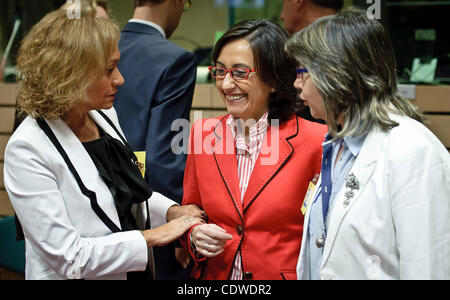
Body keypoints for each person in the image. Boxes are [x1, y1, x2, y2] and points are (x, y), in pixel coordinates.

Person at [4, 9, 203, 280]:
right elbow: (69, 257)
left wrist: (171, 211)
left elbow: (124, 188)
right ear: (70, 76)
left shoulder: (103, 115)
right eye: (109, 70)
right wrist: (152, 237)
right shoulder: (27, 149)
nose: (120, 79)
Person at [285, 8, 450, 280]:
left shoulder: (413, 151)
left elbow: (428, 267)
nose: (295, 83)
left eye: (303, 72)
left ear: (336, 74)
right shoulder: (338, 142)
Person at [181, 19, 327, 280]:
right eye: (220, 71)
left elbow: (324, 233)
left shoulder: (315, 141)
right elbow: (191, 210)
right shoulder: (203, 134)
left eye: (239, 73)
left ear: (273, 80)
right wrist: (193, 234)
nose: (226, 85)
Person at [113, 0, 197, 280]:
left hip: (101, 209)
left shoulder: (102, 48)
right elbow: (165, 155)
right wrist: (176, 232)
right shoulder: (175, 59)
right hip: (149, 212)